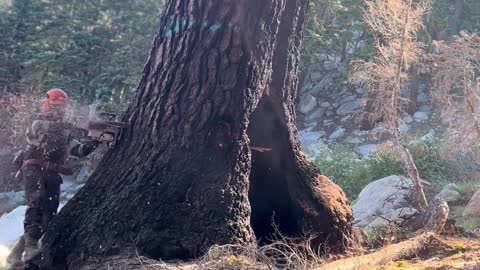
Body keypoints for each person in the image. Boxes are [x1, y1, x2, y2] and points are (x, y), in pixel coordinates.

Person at [7, 89, 100, 268]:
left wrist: (95, 140)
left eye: (61, 106)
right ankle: (31, 246)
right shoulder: (37, 121)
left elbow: (78, 151)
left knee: (49, 215)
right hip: (33, 168)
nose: (59, 109)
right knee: (37, 201)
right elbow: (36, 133)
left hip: (52, 174)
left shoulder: (66, 129)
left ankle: (19, 258)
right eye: (55, 105)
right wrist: (72, 126)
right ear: (47, 103)